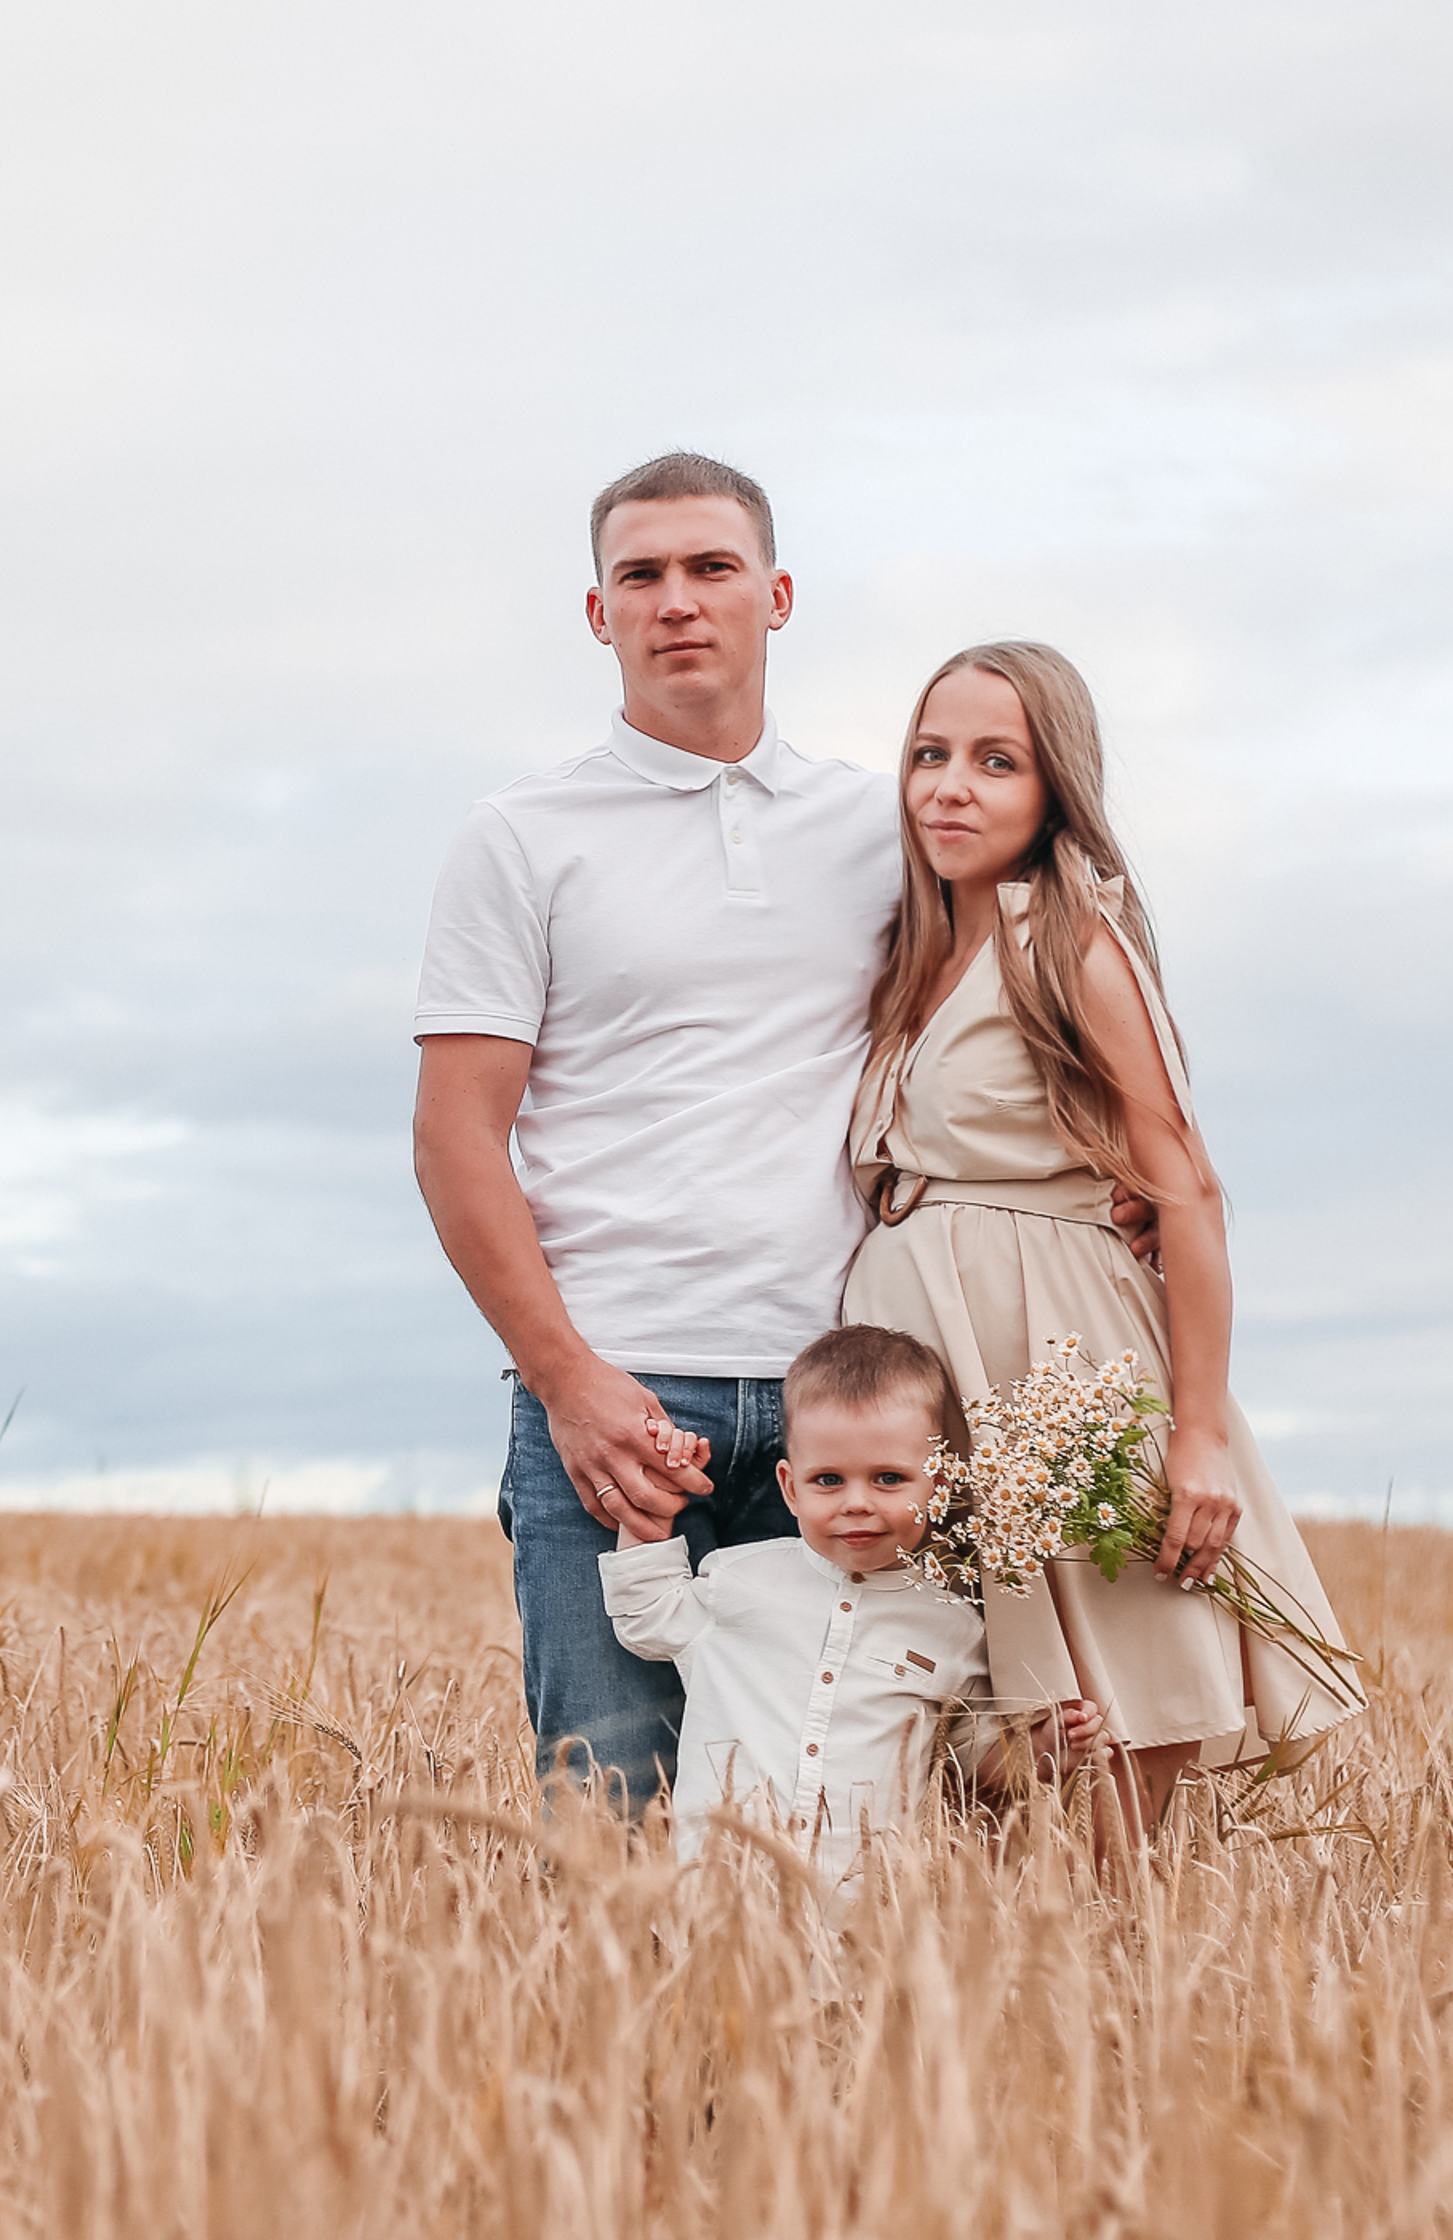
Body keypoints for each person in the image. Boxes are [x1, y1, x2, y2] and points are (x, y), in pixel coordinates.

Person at [410, 452, 1148, 1802]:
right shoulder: (519, 838)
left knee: (872, 1808)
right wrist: (569, 1384)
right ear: (599, 613)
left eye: (711, 568)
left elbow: (1030, 1001)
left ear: (777, 595)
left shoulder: (885, 824)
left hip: (861, 1398)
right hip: (626, 1394)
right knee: (616, 1811)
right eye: (641, 575)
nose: (676, 601)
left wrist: (1127, 1182)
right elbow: (457, 1138)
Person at [840, 641, 1362, 1851]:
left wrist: (1197, 1432)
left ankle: (1124, 1987)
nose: (949, 787)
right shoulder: (909, 959)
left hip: (1055, 1355)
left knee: (1120, 1694)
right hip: (924, 1371)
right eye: (928, 755)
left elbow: (1185, 1187)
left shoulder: (1070, 942)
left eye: (994, 761)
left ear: (1053, 788)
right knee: (966, 1721)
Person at [599, 1324, 1103, 1911]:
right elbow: (647, 1617)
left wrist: (1042, 1749)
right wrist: (645, 1520)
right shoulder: (735, 1581)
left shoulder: (954, 1624)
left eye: (888, 1479)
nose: (857, 1501)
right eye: (828, 1480)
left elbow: (963, 1754)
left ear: (937, 1483)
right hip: (723, 1897)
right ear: (790, 1488)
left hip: (868, 1913)